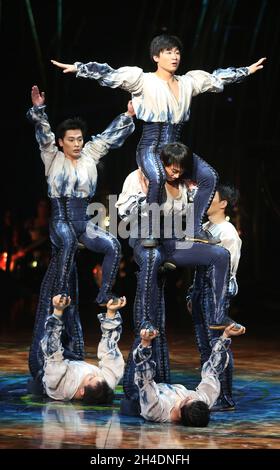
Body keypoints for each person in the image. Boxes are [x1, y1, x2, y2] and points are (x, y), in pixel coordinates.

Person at [51, 34, 265, 246]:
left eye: (177, 52)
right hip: (151, 147)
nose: (174, 56)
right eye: (168, 52)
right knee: (157, 176)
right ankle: (149, 230)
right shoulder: (143, 80)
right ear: (156, 57)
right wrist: (79, 68)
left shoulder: (189, 82)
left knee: (210, 176)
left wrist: (246, 70)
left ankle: (194, 228)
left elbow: (217, 78)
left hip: (177, 148)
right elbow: (111, 74)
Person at [27, 85, 134, 384]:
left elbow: (109, 138)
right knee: (68, 244)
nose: (77, 143)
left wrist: (126, 116)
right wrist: (39, 110)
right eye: (71, 140)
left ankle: (104, 293)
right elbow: (44, 134)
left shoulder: (90, 154)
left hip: (83, 217)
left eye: (79, 139)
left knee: (112, 244)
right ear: (61, 142)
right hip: (60, 218)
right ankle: (61, 293)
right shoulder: (52, 156)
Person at [116, 143, 232, 412]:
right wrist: (145, 198)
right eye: (170, 165)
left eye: (179, 167)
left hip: (172, 244)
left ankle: (218, 313)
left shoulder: (184, 185)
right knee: (152, 256)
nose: (174, 171)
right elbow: (123, 214)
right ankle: (145, 320)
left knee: (219, 255)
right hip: (145, 241)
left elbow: (204, 192)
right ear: (160, 163)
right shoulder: (139, 178)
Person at [187, 184, 242, 410]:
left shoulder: (227, 232)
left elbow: (230, 269)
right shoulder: (205, 227)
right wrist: (193, 291)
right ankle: (210, 391)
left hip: (216, 289)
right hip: (201, 287)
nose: (207, 200)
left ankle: (225, 397)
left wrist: (220, 299)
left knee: (217, 344)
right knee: (204, 346)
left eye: (212, 197)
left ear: (223, 203)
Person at [133, 321, 245, 425]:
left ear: (181, 412)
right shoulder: (201, 401)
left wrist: (145, 342)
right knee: (158, 336)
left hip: (139, 388)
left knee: (147, 328)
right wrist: (225, 336)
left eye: (189, 399)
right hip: (162, 386)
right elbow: (212, 371)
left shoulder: (156, 411)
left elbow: (144, 377)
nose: (189, 397)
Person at [36, 295, 126, 402]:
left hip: (47, 361)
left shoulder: (58, 384)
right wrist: (111, 313)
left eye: (91, 378)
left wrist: (57, 311)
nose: (93, 374)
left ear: (82, 391)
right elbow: (110, 351)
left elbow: (51, 348)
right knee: (72, 310)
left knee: (57, 306)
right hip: (72, 361)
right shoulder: (104, 384)